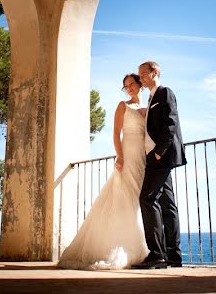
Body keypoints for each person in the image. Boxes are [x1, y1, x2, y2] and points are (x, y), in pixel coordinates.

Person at [57, 73, 150, 269]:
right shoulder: (122, 106)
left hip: (145, 158)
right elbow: (116, 133)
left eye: (132, 83)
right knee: (127, 198)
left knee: (142, 199)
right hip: (128, 157)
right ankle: (127, 246)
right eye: (126, 86)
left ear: (140, 84)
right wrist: (120, 156)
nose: (130, 88)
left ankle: (147, 246)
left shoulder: (149, 105)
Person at [132, 60, 186, 269]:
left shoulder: (165, 92)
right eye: (140, 75)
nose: (141, 78)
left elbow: (171, 123)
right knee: (167, 206)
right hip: (157, 156)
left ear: (155, 72)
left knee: (147, 198)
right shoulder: (152, 97)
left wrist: (158, 153)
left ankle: (157, 255)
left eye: (144, 74)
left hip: (160, 156)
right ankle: (173, 257)